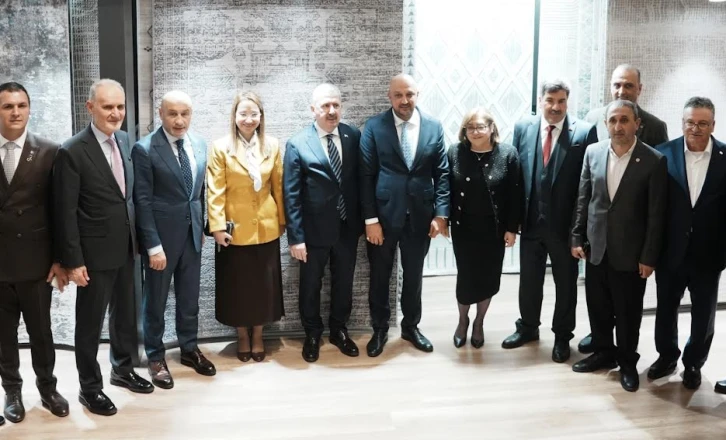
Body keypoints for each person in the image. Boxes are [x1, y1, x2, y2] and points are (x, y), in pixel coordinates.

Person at [54, 79, 153, 416]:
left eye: (120, 107)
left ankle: (122, 369)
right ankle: (90, 388)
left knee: (125, 315)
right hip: (93, 255)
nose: (115, 113)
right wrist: (73, 261)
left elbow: (126, 197)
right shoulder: (71, 150)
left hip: (126, 246)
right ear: (90, 107)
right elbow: (65, 212)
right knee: (90, 324)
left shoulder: (124, 140)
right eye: (108, 106)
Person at [570, 99, 667, 392]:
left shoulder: (653, 160)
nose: (618, 126)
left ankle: (626, 362)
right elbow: (584, 198)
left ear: (637, 124)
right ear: (606, 124)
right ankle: (603, 353)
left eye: (624, 120)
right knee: (598, 307)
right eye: (612, 120)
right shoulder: (593, 152)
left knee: (628, 313)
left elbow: (656, 215)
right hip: (596, 248)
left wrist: (649, 257)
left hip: (631, 253)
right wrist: (576, 236)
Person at [501, 80, 598, 364]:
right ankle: (528, 327)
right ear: (540, 100)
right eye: (550, 100)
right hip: (531, 223)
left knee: (566, 285)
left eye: (561, 101)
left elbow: (588, 185)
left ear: (568, 102)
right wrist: (512, 222)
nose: (556, 107)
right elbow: (516, 178)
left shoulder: (584, 132)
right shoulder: (523, 127)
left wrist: (580, 231)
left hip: (566, 228)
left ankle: (562, 336)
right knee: (529, 281)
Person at [359, 73, 450, 357]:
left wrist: (441, 215)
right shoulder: (374, 127)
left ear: (417, 95)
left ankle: (411, 326)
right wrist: (371, 220)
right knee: (380, 276)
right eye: (398, 95)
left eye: (409, 94)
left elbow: (442, 173)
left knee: (414, 275)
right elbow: (365, 176)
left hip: (421, 217)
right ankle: (380, 329)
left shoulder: (433, 126)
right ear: (390, 97)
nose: (404, 100)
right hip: (383, 218)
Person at [132, 91, 216, 389]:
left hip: (192, 236)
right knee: (155, 301)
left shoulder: (200, 143)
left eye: (185, 113)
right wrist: (153, 246)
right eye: (173, 114)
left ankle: (189, 348)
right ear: (161, 113)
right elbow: (142, 201)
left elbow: (199, 192)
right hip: (161, 242)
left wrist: (201, 227)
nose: (179, 120)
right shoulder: (145, 149)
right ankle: (155, 356)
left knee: (190, 298)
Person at [0, 82, 69, 422]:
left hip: (37, 262)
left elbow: (60, 210)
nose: (16, 112)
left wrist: (61, 259)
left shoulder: (49, 150)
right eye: (7, 106)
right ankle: (12, 391)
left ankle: (48, 388)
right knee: (3, 335)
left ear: (29, 108)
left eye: (21, 105)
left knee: (41, 332)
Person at [649, 97, 725, 390]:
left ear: (713, 125)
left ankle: (694, 363)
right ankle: (667, 356)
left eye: (702, 123)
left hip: (709, 253)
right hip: (670, 251)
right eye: (690, 122)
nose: (695, 128)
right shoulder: (662, 154)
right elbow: (655, 206)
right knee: (666, 309)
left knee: (704, 314)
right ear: (682, 123)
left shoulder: (724, 157)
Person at [283, 84, 363, 362]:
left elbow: (360, 181)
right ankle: (312, 333)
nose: (331, 111)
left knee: (344, 282)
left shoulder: (353, 135)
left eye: (336, 105)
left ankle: (339, 330)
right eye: (325, 106)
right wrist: (296, 237)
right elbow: (291, 194)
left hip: (347, 227)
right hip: (312, 231)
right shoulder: (297, 143)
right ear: (313, 110)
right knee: (310, 285)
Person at [207, 91, 285, 363]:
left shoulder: (272, 145)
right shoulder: (221, 147)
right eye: (243, 113)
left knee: (264, 286)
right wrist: (217, 227)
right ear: (234, 116)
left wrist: (282, 221)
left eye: (254, 114)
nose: (248, 119)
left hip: (266, 227)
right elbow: (215, 190)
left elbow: (278, 187)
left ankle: (259, 334)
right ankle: (242, 335)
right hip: (233, 230)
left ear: (261, 117)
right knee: (237, 287)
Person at [448, 108, 520, 349]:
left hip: (494, 230)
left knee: (488, 277)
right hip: (464, 228)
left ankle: (479, 322)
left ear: (491, 128)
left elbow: (515, 194)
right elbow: (445, 188)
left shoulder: (507, 153)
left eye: (480, 126)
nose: (475, 132)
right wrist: (443, 219)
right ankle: (462, 320)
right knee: (466, 277)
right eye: (470, 127)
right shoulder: (455, 152)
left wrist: (512, 228)